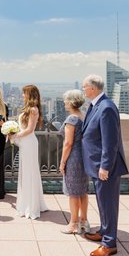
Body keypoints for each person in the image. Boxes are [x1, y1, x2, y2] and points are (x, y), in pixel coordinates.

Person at [81, 75, 129, 256]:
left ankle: (109, 243)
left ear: (92, 88)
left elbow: (111, 142)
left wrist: (105, 166)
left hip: (104, 167)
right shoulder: (96, 105)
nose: (83, 90)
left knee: (108, 203)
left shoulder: (107, 108)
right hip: (96, 164)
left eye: (85, 87)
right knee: (102, 201)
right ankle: (103, 230)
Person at [10, 85, 48, 219]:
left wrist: (15, 136)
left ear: (29, 94)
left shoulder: (33, 109)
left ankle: (31, 206)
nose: (22, 95)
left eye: (24, 93)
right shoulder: (28, 109)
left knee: (30, 172)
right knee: (25, 172)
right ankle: (27, 202)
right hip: (24, 143)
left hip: (29, 143)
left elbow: (30, 130)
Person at [58, 89, 90, 234]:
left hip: (74, 157)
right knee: (83, 191)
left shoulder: (72, 119)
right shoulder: (83, 115)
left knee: (73, 192)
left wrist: (63, 162)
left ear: (71, 102)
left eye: (66, 99)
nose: (64, 102)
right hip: (84, 156)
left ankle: (73, 224)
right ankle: (84, 221)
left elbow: (68, 143)